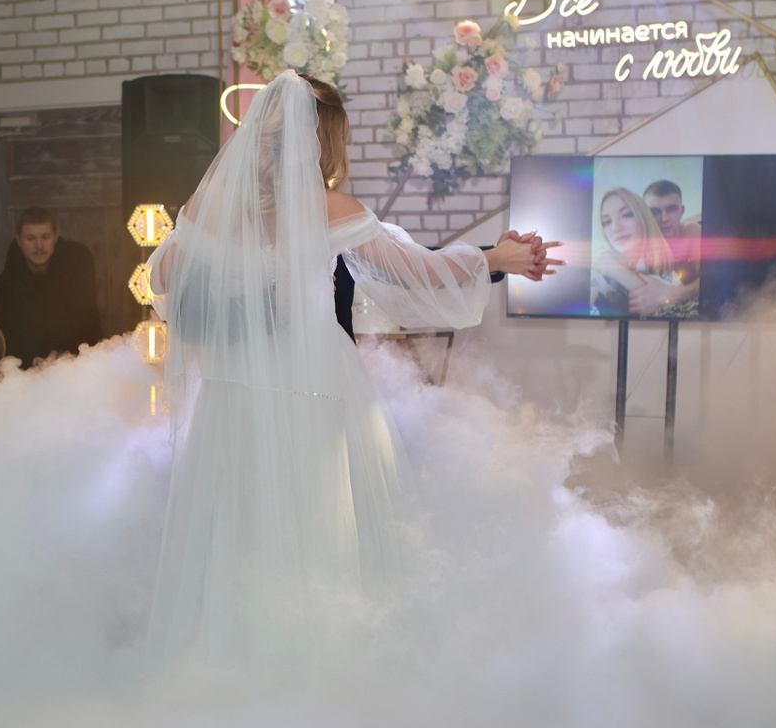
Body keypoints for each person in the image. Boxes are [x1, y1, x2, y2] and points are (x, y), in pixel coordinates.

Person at [142, 71, 556, 659]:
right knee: (317, 519)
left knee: (239, 520)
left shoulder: (205, 204)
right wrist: (499, 257)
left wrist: (239, 276)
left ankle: (238, 655)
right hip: (313, 383)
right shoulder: (329, 208)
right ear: (324, 138)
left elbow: (163, 280)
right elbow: (415, 273)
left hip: (234, 388)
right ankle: (318, 656)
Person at [0, 208, 104, 366]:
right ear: (19, 240)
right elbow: (4, 332)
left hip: (75, 363)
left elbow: (86, 321)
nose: (39, 246)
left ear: (56, 237)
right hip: (25, 368)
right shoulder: (10, 279)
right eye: (30, 238)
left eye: (45, 237)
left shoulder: (76, 263)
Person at [591, 187, 698, 319]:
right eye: (606, 222)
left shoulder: (667, 271)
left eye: (626, 215)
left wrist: (622, 274)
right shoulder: (597, 273)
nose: (615, 228)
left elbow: (682, 314)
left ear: (644, 218)